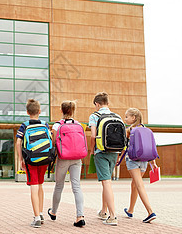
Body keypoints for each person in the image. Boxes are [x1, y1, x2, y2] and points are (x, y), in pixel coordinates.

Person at [47, 100, 85, 227]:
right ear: (73, 110)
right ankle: (80, 216)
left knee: (59, 186)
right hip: (77, 158)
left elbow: (53, 143)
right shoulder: (79, 125)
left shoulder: (57, 126)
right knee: (77, 187)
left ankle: (53, 212)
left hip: (63, 158)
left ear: (61, 110)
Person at [15, 99, 50, 228]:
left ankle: (36, 218)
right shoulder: (45, 124)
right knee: (40, 185)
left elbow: (18, 142)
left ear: (27, 112)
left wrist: (21, 159)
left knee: (34, 186)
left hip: (31, 159)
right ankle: (40, 213)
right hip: (44, 158)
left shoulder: (25, 125)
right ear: (39, 111)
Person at [88, 92, 120, 226]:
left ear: (97, 104)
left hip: (101, 151)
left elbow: (93, 135)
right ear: (108, 103)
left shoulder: (94, 116)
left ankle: (112, 216)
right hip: (114, 151)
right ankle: (103, 211)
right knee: (105, 182)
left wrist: (91, 150)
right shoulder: (117, 116)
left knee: (106, 182)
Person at [121, 108, 157, 223]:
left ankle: (150, 212)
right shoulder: (146, 130)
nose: (125, 119)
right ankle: (130, 210)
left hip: (133, 160)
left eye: (127, 117)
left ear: (134, 118)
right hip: (145, 160)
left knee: (139, 185)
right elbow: (150, 146)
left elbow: (123, 146)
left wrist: (118, 159)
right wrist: (153, 162)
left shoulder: (129, 130)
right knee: (135, 185)